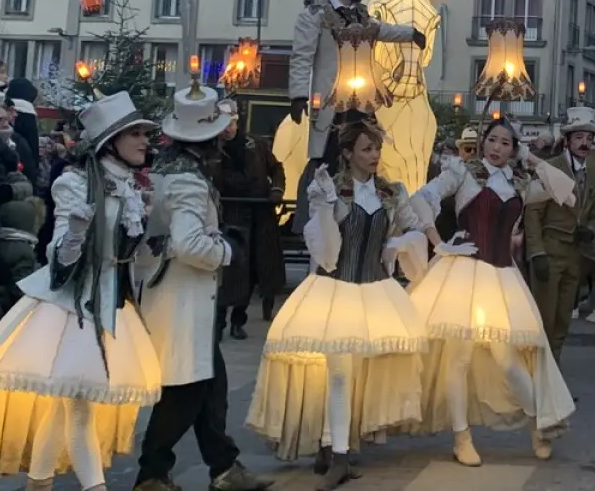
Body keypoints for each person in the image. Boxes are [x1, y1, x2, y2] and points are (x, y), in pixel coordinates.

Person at [0, 91, 164, 491]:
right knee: (77, 408)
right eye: (136, 134)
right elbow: (60, 264)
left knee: (67, 405)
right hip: (72, 308)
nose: (146, 141)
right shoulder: (75, 183)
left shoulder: (129, 188)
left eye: (146, 133)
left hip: (113, 306)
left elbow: (129, 259)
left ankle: (38, 483)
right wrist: (75, 234)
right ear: (111, 141)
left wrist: (151, 246)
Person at [252, 119, 429, 489]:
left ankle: (333, 443)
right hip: (334, 288)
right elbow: (327, 254)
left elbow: (413, 225)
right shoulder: (328, 189)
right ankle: (338, 453)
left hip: (373, 289)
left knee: (352, 374)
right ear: (347, 153)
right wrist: (326, 207)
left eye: (377, 148)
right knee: (337, 373)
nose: (374, 155)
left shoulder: (390, 192)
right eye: (366, 148)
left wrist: (401, 243)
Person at [409, 119, 577, 466]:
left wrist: (531, 157)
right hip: (464, 272)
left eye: (506, 143)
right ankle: (461, 435)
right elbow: (421, 198)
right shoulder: (463, 172)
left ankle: (538, 423)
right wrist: (438, 243)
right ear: (483, 141)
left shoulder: (520, 181)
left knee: (509, 361)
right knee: (459, 358)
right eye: (493, 140)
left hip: (502, 277)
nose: (497, 148)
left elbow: (567, 192)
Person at [134, 79, 269, 491]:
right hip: (185, 298)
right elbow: (189, 244)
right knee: (188, 390)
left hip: (175, 295)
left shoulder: (164, 171)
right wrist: (228, 249)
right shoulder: (188, 181)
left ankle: (224, 468)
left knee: (210, 385)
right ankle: (152, 473)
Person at [286, 0, 423, 165]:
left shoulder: (362, 14)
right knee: (328, 160)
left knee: (367, 155)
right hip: (331, 102)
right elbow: (302, 58)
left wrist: (412, 33)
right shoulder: (314, 16)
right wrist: (299, 95)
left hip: (363, 101)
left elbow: (381, 30)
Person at [524, 106, 595, 375]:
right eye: (579, 138)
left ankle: (554, 383)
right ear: (568, 140)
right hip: (550, 253)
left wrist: (584, 228)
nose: (584, 143)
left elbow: (589, 207)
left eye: (588, 138)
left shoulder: (591, 172)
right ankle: (538, 380)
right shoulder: (551, 168)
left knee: (562, 321)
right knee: (545, 319)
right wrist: (536, 253)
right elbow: (533, 213)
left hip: (575, 254)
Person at [212, 98, 287, 338]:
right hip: (231, 216)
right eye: (224, 123)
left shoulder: (257, 145)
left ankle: (238, 320)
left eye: (232, 123)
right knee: (230, 270)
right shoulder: (211, 149)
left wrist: (276, 190)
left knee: (256, 269)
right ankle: (219, 320)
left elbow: (277, 169)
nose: (228, 128)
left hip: (260, 216)